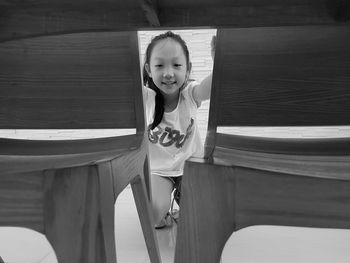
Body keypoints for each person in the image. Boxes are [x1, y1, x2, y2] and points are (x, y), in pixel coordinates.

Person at [142, 31, 213, 228]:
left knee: (200, 218)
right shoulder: (146, 98)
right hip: (159, 171)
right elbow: (124, 84)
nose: (168, 73)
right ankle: (164, 211)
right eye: (159, 65)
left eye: (176, 65)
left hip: (190, 168)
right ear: (148, 69)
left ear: (188, 69)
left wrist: (220, 63)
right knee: (153, 218)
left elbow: (210, 87)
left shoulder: (191, 94)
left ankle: (183, 203)